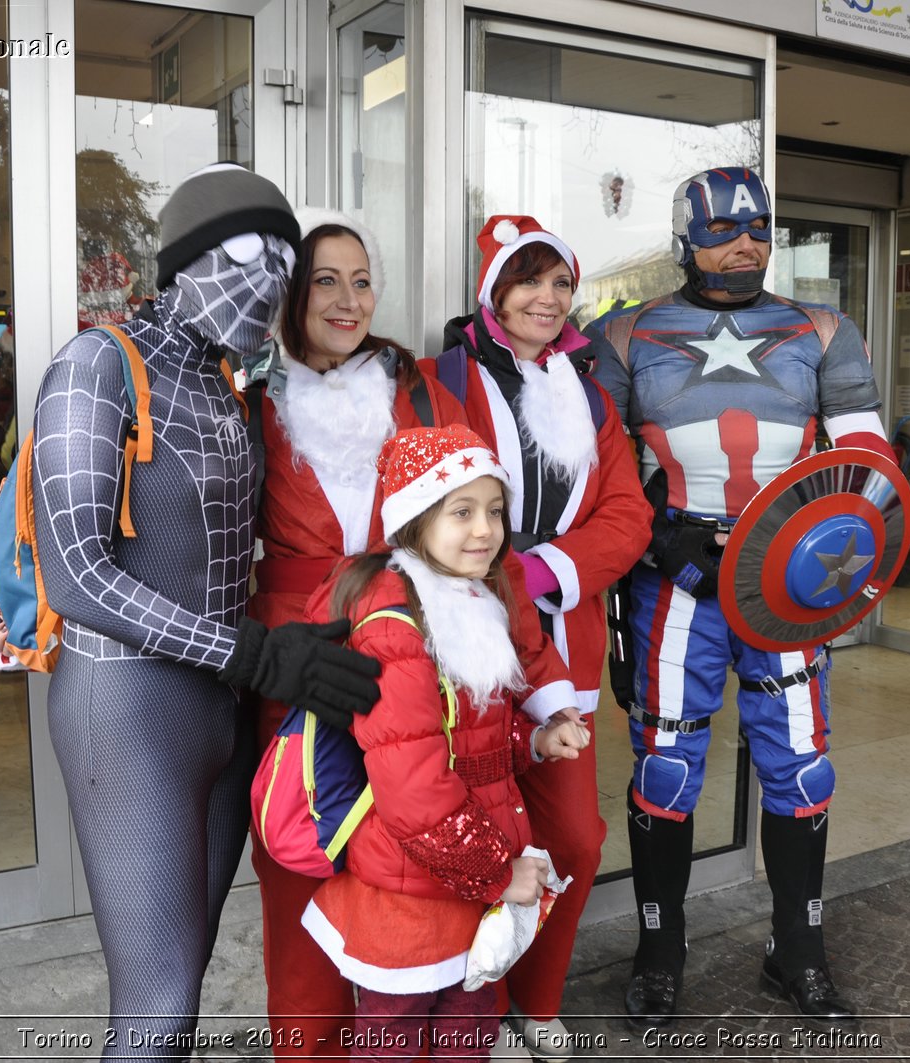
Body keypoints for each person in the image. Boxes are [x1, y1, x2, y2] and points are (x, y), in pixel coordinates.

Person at [28, 165, 383, 1060]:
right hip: (128, 709)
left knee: (182, 984)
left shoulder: (230, 391)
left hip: (218, 712)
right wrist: (257, 656)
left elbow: (246, 550)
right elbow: (77, 576)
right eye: (242, 256)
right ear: (183, 262)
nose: (266, 283)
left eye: (281, 264)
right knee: (155, 1006)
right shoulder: (94, 365)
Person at [247, 209, 580, 1060]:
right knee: (310, 867)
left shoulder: (420, 389)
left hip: (423, 651)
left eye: (363, 280)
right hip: (303, 663)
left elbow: (477, 532)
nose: (349, 298)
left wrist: (535, 698)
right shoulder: (250, 394)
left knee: (423, 848)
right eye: (326, 279)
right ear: (291, 290)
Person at [588, 168, 898, 1029]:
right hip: (673, 581)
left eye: (759, 226)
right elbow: (594, 466)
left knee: (802, 770)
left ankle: (796, 952)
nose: (746, 242)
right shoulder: (623, 336)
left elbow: (867, 465)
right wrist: (658, 534)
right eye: (725, 228)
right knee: (665, 767)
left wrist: (823, 554)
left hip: (787, 584)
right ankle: (660, 952)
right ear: (686, 238)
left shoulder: (823, 329)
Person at [429, 215, 651, 1057]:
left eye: (561, 282)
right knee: (468, 832)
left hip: (565, 648)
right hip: (464, 647)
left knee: (575, 840)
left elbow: (628, 513)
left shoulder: (589, 392)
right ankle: (463, 1018)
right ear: (492, 292)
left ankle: (537, 995)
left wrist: (541, 572)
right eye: (529, 279)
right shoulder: (436, 379)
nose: (548, 298)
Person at [299, 424, 590, 1061]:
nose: (485, 530)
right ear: (414, 520)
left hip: (465, 881)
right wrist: (499, 873)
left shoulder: (465, 598)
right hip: (414, 892)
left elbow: (465, 735)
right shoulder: (396, 627)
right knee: (394, 1041)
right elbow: (415, 791)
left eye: (493, 511)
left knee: (469, 1032)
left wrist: (535, 741)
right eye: (461, 512)